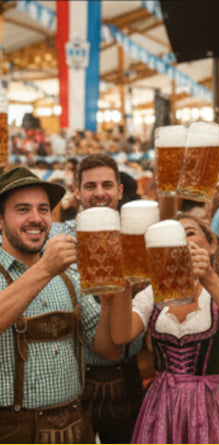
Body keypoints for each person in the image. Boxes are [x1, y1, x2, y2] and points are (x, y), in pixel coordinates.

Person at [0, 166, 119, 443]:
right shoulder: (54, 267)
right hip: (12, 431)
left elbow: (107, 350)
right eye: (22, 209)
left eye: (43, 209)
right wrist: (45, 269)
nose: (36, 218)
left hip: (75, 425)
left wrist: (113, 301)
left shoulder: (69, 273)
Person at [106, 219, 219, 443]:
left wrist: (208, 277)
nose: (180, 240)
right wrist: (124, 282)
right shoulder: (154, 292)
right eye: (174, 235)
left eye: (189, 233)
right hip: (163, 408)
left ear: (211, 246)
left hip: (213, 408)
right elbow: (121, 335)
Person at [52, 153, 145, 444]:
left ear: (119, 190)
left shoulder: (135, 237)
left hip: (129, 373)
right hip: (79, 376)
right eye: (90, 186)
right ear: (77, 191)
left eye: (107, 185)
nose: (99, 193)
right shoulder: (58, 239)